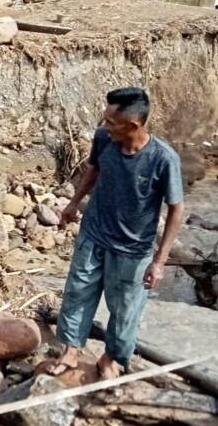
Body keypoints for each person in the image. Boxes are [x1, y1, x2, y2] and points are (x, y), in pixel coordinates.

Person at [55, 87, 185, 381]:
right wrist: (74, 203)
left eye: (111, 123)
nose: (104, 127)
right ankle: (70, 350)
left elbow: (176, 209)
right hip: (94, 232)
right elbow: (94, 170)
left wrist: (159, 261)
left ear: (133, 126)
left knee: (125, 308)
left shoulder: (164, 159)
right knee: (77, 293)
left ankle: (111, 357)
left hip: (133, 249)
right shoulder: (104, 139)